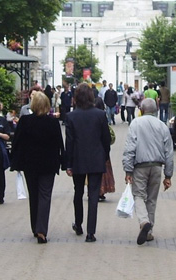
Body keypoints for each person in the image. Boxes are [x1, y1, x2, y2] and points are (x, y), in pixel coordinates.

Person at [10, 92, 64, 244]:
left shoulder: (25, 121)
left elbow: (17, 142)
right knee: (45, 196)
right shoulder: (53, 123)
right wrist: (63, 162)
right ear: (47, 105)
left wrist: (14, 161)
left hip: (30, 164)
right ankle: (41, 229)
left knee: (33, 195)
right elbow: (60, 143)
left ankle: (35, 226)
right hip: (48, 164)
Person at [122, 98, 174, 245]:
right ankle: (149, 231)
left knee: (138, 195)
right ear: (156, 110)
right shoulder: (162, 126)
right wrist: (168, 175)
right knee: (151, 199)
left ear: (142, 109)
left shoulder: (136, 123)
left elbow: (130, 147)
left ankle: (144, 221)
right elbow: (169, 152)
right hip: (157, 166)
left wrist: (128, 170)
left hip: (140, 166)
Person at [65, 83, 111, 243]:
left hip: (78, 160)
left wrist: (68, 164)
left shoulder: (71, 117)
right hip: (96, 159)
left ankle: (78, 224)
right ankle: (91, 232)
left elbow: (69, 143)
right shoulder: (100, 114)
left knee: (78, 193)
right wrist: (105, 156)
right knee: (93, 195)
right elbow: (106, 139)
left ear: (76, 98)